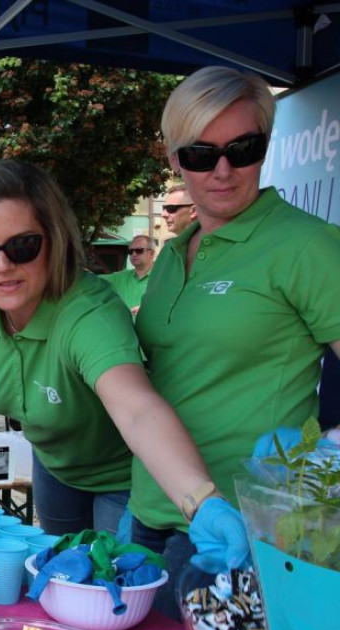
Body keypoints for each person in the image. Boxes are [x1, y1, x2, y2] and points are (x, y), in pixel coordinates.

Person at [0, 158, 233, 549]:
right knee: (62, 578)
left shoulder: (89, 314)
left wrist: (202, 502)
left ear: (54, 240)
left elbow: (138, 410)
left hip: (120, 477)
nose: (2, 266)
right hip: (54, 466)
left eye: (23, 246)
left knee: (106, 590)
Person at [130, 66, 340, 590]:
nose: (223, 170)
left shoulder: (307, 246)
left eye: (243, 148)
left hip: (243, 534)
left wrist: (325, 456)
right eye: (202, 154)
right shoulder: (174, 253)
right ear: (175, 158)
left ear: (265, 147)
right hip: (149, 513)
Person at [101, 235, 156, 316]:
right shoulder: (120, 277)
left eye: (139, 250)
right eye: (130, 251)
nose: (134, 254)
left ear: (151, 253)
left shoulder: (164, 277)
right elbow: (92, 280)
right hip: (125, 328)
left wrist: (151, 309)